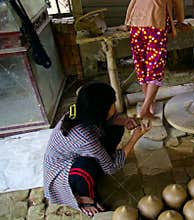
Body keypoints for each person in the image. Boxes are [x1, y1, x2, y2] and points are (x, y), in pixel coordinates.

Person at [43, 82, 151, 217]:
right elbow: (111, 167)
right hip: (61, 172)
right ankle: (83, 197)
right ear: (101, 111)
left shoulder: (81, 110)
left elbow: (106, 121)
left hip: (77, 152)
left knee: (116, 127)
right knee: (87, 166)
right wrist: (135, 137)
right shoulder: (84, 137)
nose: (114, 105)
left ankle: (100, 161)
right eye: (112, 103)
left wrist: (123, 121)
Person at [124, 0, 190, 118]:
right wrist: (180, 21)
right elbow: (178, 3)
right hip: (154, 24)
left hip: (135, 24)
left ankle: (150, 105)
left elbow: (133, 2)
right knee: (154, 67)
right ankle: (145, 108)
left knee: (142, 66)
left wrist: (127, 21)